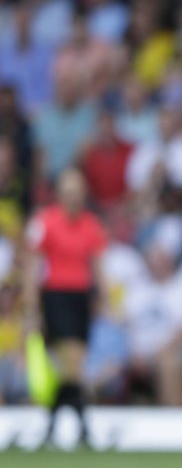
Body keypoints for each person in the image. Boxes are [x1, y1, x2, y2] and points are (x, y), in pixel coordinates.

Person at [24, 167, 107, 447]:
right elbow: (32, 267)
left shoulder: (91, 224)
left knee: (74, 368)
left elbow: (98, 266)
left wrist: (105, 299)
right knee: (73, 363)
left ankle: (50, 425)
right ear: (59, 194)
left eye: (78, 192)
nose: (73, 197)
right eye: (68, 192)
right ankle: (84, 427)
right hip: (56, 296)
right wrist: (32, 308)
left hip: (80, 297)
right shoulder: (45, 222)